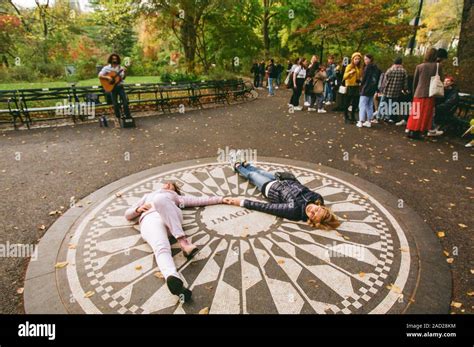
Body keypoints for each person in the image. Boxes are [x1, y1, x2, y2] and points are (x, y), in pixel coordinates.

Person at [124, 182, 225, 302]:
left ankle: (183, 242)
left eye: (171, 185)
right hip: (150, 219)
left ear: (175, 190)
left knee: (160, 199)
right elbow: (128, 214)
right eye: (166, 183)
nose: (167, 185)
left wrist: (222, 199)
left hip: (171, 217)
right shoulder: (147, 196)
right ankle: (173, 279)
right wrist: (138, 209)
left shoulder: (175, 197)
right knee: (161, 248)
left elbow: (200, 200)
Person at [226, 152, 340, 229]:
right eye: (316, 210)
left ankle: (237, 166)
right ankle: (246, 165)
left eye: (313, 215)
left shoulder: (294, 211)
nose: (312, 211)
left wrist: (242, 202)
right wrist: (291, 179)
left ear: (311, 220)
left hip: (269, 188)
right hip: (281, 180)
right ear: (320, 206)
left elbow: (267, 208)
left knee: (252, 175)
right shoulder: (316, 198)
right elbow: (301, 187)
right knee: (259, 171)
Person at [406, 48, 443, 139]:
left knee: (415, 113)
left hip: (419, 92)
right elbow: (441, 79)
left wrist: (414, 92)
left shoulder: (420, 66)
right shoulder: (438, 66)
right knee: (425, 114)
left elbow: (415, 81)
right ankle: (419, 131)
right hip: (430, 93)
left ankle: (411, 130)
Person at [98, 53, 131, 120]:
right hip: (112, 88)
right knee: (115, 104)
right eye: (113, 58)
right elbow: (100, 75)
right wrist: (107, 77)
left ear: (117, 59)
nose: (114, 60)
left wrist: (125, 72)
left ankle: (128, 117)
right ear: (110, 59)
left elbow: (123, 78)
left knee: (125, 102)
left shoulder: (120, 68)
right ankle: (118, 117)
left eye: (115, 58)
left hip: (120, 87)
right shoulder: (106, 68)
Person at [378, 57, 408, 124]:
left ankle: (379, 116)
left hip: (387, 90)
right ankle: (387, 117)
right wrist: (404, 89)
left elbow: (384, 81)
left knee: (382, 103)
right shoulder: (403, 71)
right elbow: (405, 83)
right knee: (392, 105)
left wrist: (381, 89)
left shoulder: (390, 70)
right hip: (396, 92)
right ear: (401, 63)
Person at [357, 54, 381, 128]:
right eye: (364, 59)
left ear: (370, 59)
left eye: (366, 59)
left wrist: (361, 84)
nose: (365, 61)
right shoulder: (376, 68)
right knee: (369, 105)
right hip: (373, 89)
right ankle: (369, 121)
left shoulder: (367, 68)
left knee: (362, 105)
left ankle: (361, 121)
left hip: (366, 88)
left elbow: (364, 79)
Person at [342, 52, 363, 124]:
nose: (357, 60)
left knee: (355, 103)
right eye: (355, 59)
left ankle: (353, 116)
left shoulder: (359, 67)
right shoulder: (349, 66)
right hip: (349, 86)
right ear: (352, 59)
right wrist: (350, 72)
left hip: (356, 86)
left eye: (358, 59)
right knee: (347, 102)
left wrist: (360, 79)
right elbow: (344, 77)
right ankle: (346, 117)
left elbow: (360, 76)